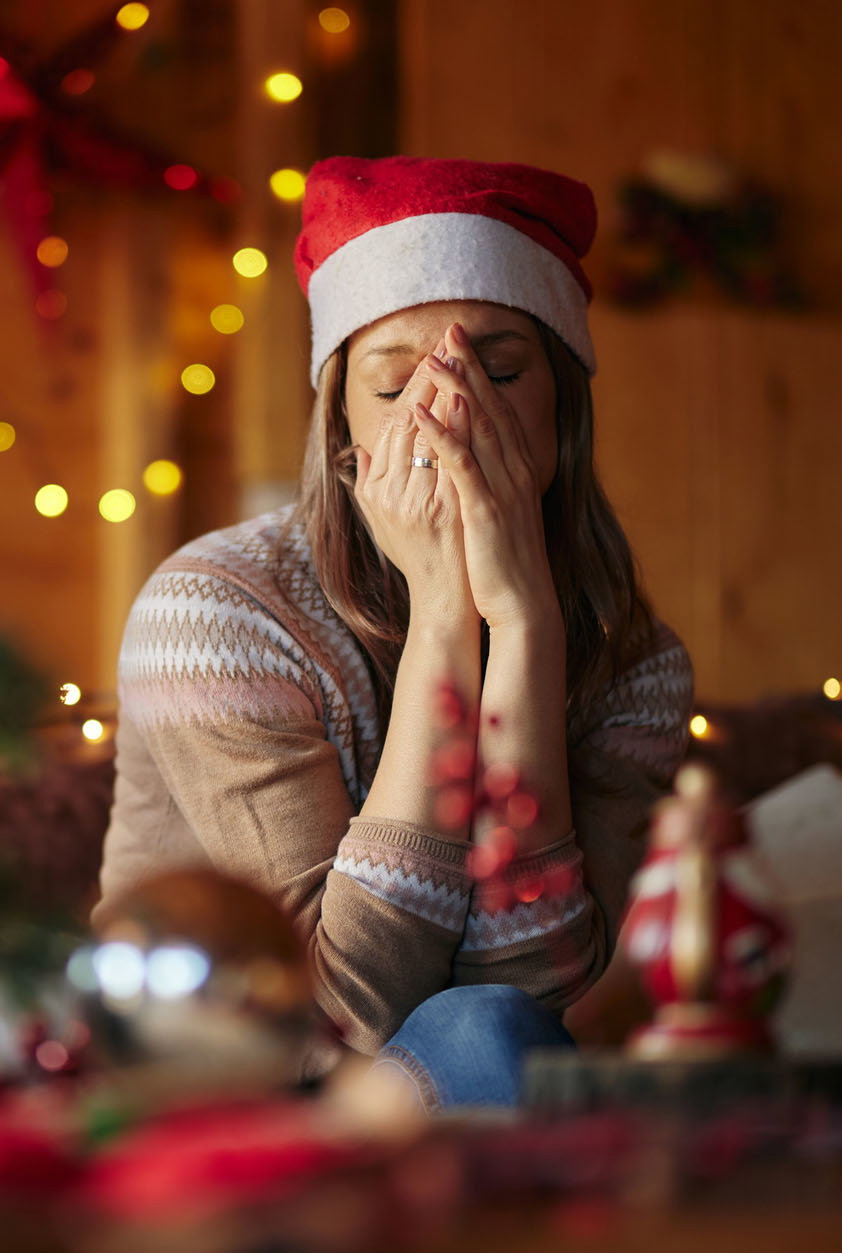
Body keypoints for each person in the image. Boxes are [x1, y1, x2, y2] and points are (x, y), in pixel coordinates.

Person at [100, 155, 692, 1110]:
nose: (447, 417)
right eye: (392, 387)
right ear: (341, 429)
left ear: (563, 413)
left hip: (476, 1092)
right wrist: (447, 616)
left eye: (499, 370)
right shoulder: (213, 612)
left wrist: (528, 630)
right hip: (221, 1086)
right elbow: (339, 1014)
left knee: (494, 1031)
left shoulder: (634, 660)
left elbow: (540, 994)